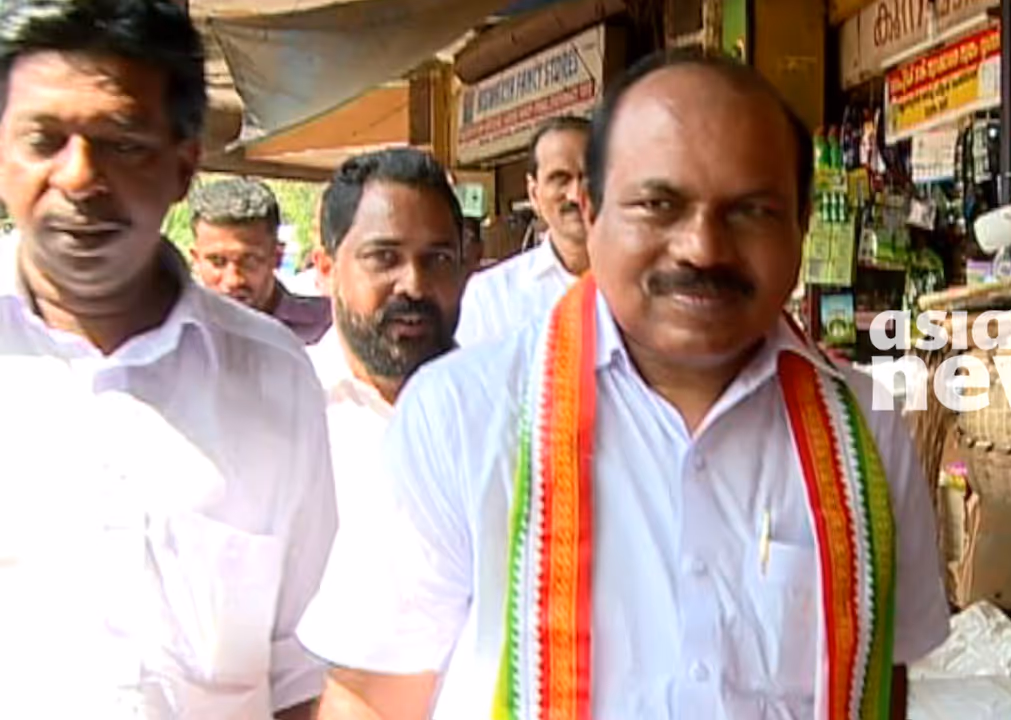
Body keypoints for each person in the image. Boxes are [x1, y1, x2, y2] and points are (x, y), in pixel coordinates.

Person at [302, 50, 948, 720]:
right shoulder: (460, 415)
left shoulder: (863, 430)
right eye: (658, 205)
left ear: (802, 223)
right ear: (591, 210)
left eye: (751, 210)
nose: (703, 248)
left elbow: (880, 679)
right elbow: (370, 701)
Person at [0, 1, 337, 718]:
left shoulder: (274, 381)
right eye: (44, 140)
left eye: (122, 144)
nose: (79, 177)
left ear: (184, 165)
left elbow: (302, 675)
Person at [304, 146, 465, 510]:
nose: (414, 286)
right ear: (326, 270)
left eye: (438, 259)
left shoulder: (505, 408)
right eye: (384, 258)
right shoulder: (281, 404)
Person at [454, 115, 589, 345]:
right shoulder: (491, 297)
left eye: (589, 177)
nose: (576, 194)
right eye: (560, 179)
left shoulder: (644, 286)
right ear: (534, 193)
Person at [189, 177, 332, 343]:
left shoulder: (329, 330)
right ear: (196, 260)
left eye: (249, 261)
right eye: (218, 262)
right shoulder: (179, 336)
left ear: (277, 257)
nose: (233, 280)